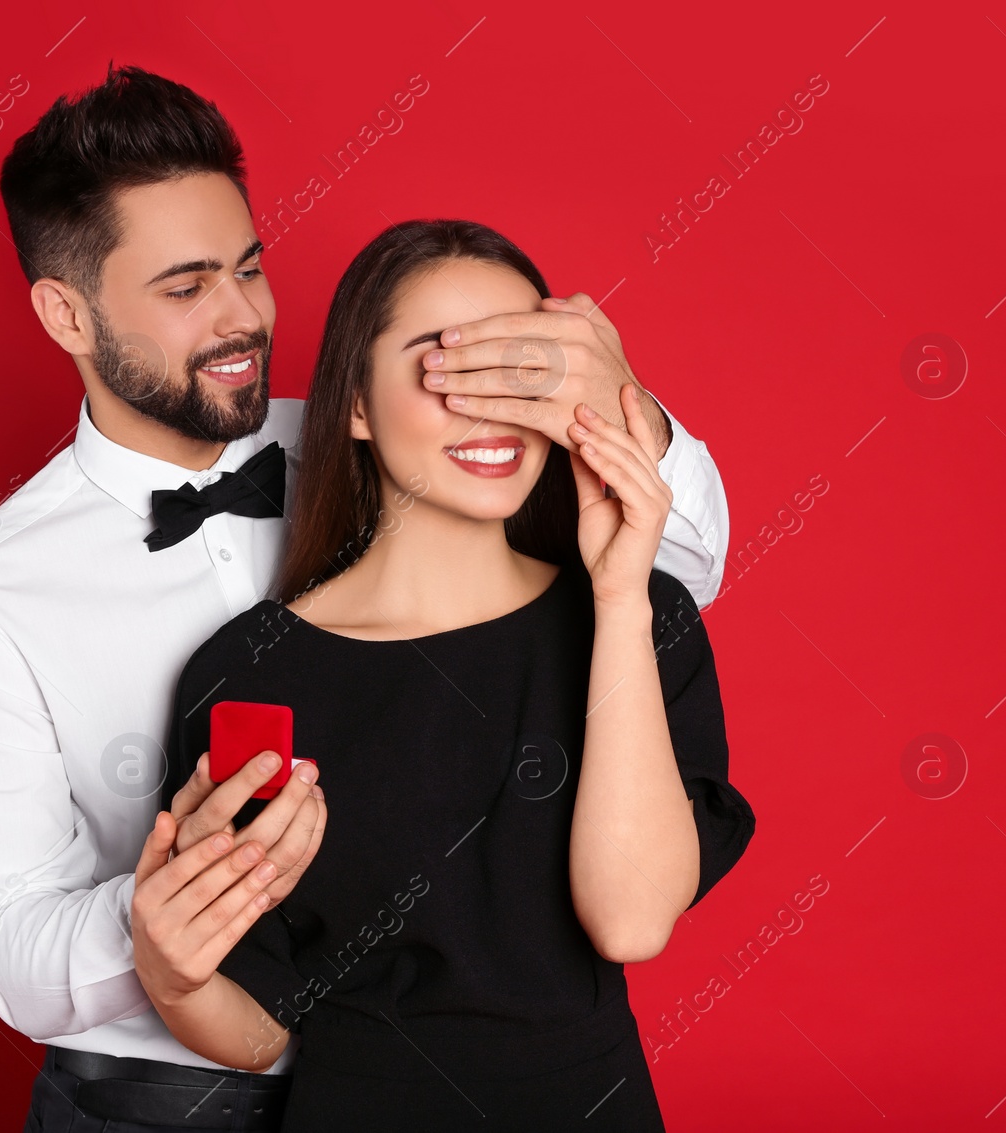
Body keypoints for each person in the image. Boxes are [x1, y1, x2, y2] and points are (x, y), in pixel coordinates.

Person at [0, 63, 732, 1133]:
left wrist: (619, 401)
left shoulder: (417, 436)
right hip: (169, 1094)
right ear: (66, 313)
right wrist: (174, 923)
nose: (244, 314)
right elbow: (11, 942)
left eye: (249, 267)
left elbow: (675, 563)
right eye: (185, 285)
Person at [147, 219, 756, 1132]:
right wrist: (170, 970)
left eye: (522, 368)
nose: (491, 407)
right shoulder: (248, 672)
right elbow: (259, 1027)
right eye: (444, 366)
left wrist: (621, 597)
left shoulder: (637, 614)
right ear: (354, 403)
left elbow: (630, 923)